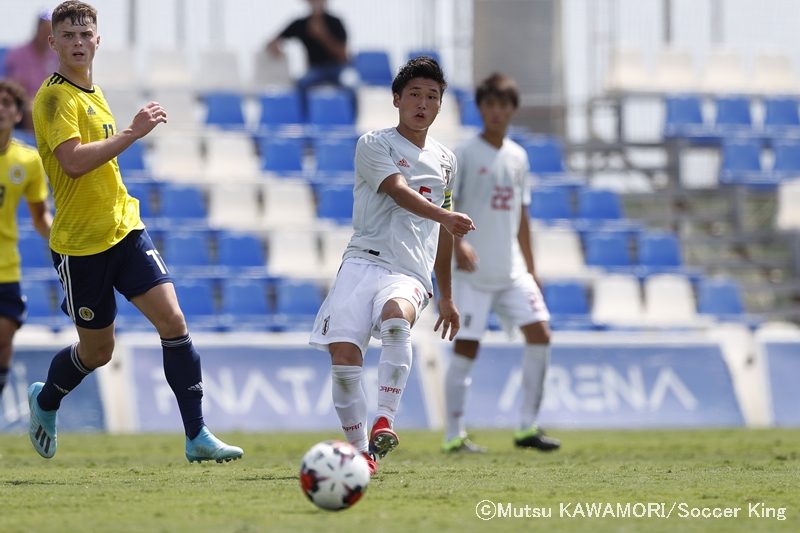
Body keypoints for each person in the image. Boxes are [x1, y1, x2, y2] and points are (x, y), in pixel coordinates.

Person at [28, 0, 242, 463]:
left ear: (98, 40)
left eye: (86, 34)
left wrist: (127, 136)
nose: (79, 42)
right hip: (80, 246)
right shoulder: (52, 98)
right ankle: (46, 400)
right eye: (68, 35)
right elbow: (73, 162)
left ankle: (197, 436)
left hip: (125, 229)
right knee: (98, 351)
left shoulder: (93, 91)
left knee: (174, 321)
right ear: (54, 42)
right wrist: (131, 133)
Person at [309, 56, 476, 475]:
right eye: (415, 94)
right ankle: (361, 452)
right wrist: (445, 217)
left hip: (408, 271)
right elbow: (398, 192)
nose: (422, 103)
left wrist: (447, 298)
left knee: (396, 319)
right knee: (345, 361)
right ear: (397, 99)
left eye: (432, 96)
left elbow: (442, 235)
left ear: (441, 106)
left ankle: (385, 418)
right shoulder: (373, 144)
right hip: (361, 262)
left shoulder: (446, 161)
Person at [442, 73, 560, 454]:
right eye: (489, 104)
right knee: (467, 348)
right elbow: (447, 209)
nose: (496, 111)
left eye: (503, 104)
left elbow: (522, 217)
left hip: (511, 271)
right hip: (472, 274)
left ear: (512, 109)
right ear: (480, 108)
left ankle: (527, 427)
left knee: (541, 334)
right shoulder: (463, 154)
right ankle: (453, 436)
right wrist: (459, 247)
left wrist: (533, 268)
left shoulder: (518, 156)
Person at [0, 79, 52, 398]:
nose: (0, 109)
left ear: (18, 114)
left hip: (6, 265)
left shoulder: (28, 161)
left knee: (4, 336)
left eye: (7, 104)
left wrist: (65, 237)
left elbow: (40, 216)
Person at [266, 0, 349, 114]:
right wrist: (276, 46)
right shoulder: (301, 24)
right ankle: (304, 119)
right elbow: (272, 41)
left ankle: (350, 120)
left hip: (337, 69)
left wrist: (323, 36)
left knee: (351, 87)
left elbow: (343, 55)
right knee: (301, 84)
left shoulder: (335, 22)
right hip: (315, 70)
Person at [3, 10, 59, 131]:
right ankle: (34, 145)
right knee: (32, 109)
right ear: (37, 30)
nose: (47, 36)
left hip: (51, 100)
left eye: (50, 32)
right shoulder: (18, 54)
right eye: (44, 31)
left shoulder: (57, 56)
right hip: (26, 101)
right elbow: (13, 85)